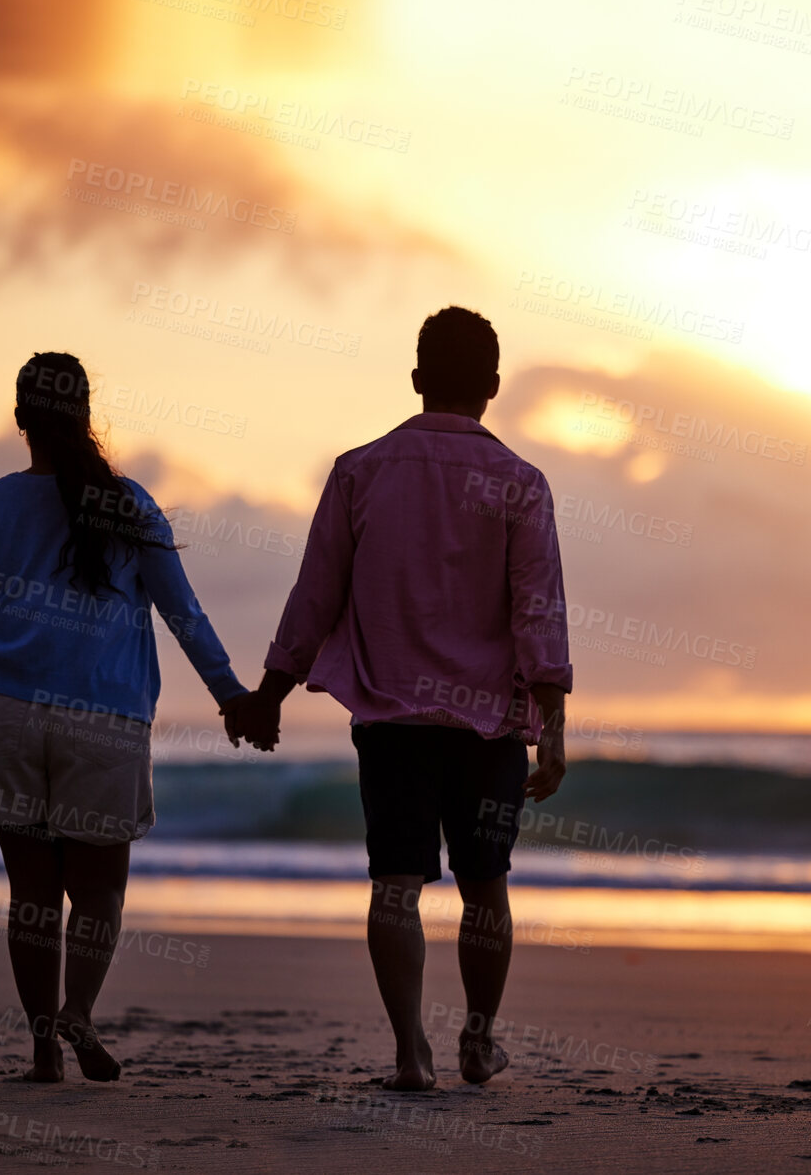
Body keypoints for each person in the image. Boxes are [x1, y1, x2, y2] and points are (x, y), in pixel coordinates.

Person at [224, 306, 572, 1090]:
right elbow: (536, 607)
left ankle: (410, 1052)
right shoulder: (522, 482)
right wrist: (551, 721)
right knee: (485, 885)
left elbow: (314, 593)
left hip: (391, 717)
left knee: (395, 885)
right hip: (486, 724)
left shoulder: (360, 470)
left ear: (416, 380)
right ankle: (477, 1042)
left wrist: (270, 692)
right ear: (491, 386)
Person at [0, 351, 249, 1083]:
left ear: (21, 419)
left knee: (31, 896)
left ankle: (41, 1050)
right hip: (106, 718)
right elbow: (183, 613)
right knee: (98, 891)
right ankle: (79, 1011)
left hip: (6, 714)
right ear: (85, 417)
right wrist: (232, 697)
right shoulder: (129, 505)